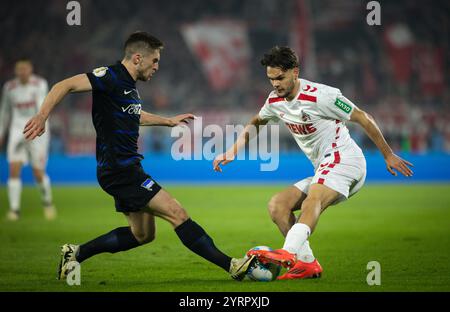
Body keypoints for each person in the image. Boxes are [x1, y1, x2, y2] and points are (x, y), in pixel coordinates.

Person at [23, 31, 255, 281]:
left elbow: (134, 114)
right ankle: (232, 265)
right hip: (119, 170)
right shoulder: (109, 76)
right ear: (137, 58)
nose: (156, 66)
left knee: (143, 235)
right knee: (177, 213)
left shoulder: (129, 87)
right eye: (154, 61)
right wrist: (42, 115)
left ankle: (75, 253)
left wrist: (167, 121)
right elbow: (64, 85)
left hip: (125, 168)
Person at [213, 46, 413, 280]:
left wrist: (388, 154)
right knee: (277, 206)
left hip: (345, 160)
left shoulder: (321, 95)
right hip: (325, 167)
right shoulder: (275, 100)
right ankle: (307, 263)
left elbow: (362, 117)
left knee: (314, 198)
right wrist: (233, 150)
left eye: (280, 78)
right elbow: (258, 120)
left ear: (295, 72)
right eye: (271, 79)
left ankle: (288, 252)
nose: (275, 84)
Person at [0, 58, 56, 221]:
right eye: (19, 69)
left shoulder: (40, 84)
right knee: (13, 170)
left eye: (25, 68)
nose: (22, 72)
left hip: (37, 130)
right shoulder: (9, 87)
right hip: (17, 131)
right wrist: (1, 133)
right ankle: (14, 210)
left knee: (38, 173)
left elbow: (41, 107)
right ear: (16, 71)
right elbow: (4, 112)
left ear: (30, 69)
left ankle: (47, 202)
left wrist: (40, 126)